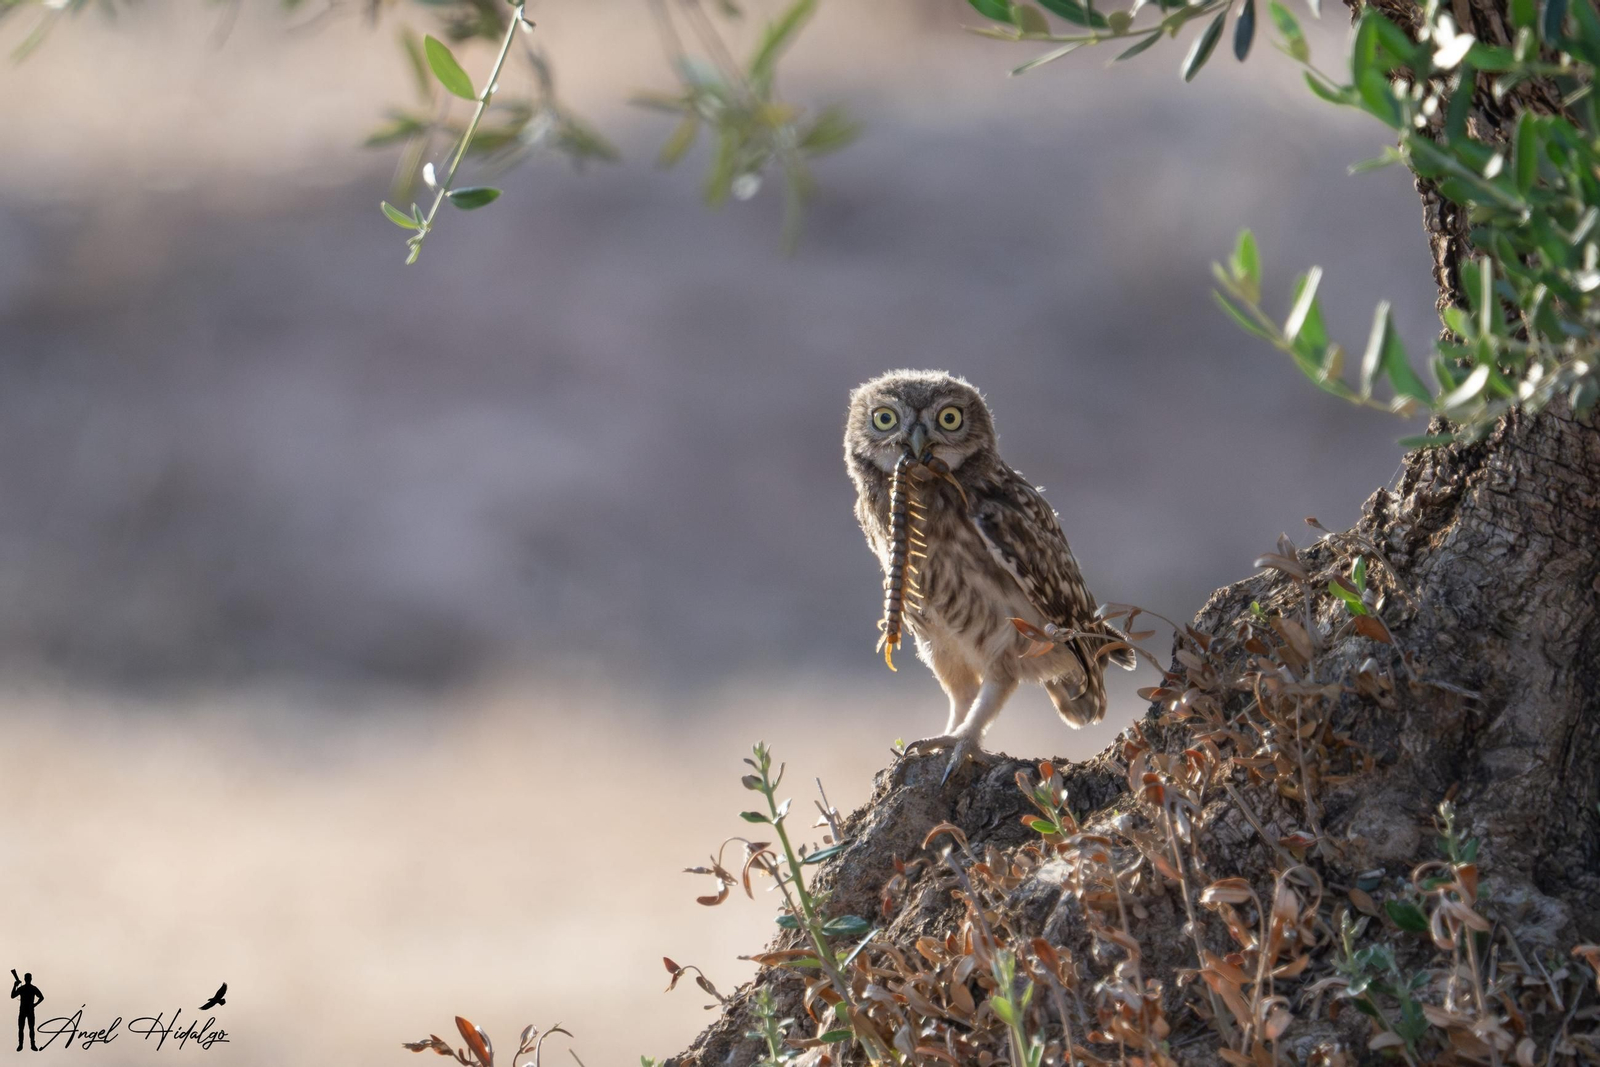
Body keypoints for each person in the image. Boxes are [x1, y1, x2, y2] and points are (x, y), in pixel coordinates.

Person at [11, 972, 42, 1052]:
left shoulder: (28, 988)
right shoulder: (29, 988)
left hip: (27, 1010)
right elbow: (12, 996)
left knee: (28, 1028)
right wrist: (15, 985)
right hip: (25, 1010)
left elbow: (41, 997)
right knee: (23, 1028)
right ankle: (23, 1044)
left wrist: (35, 1005)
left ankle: (29, 1045)